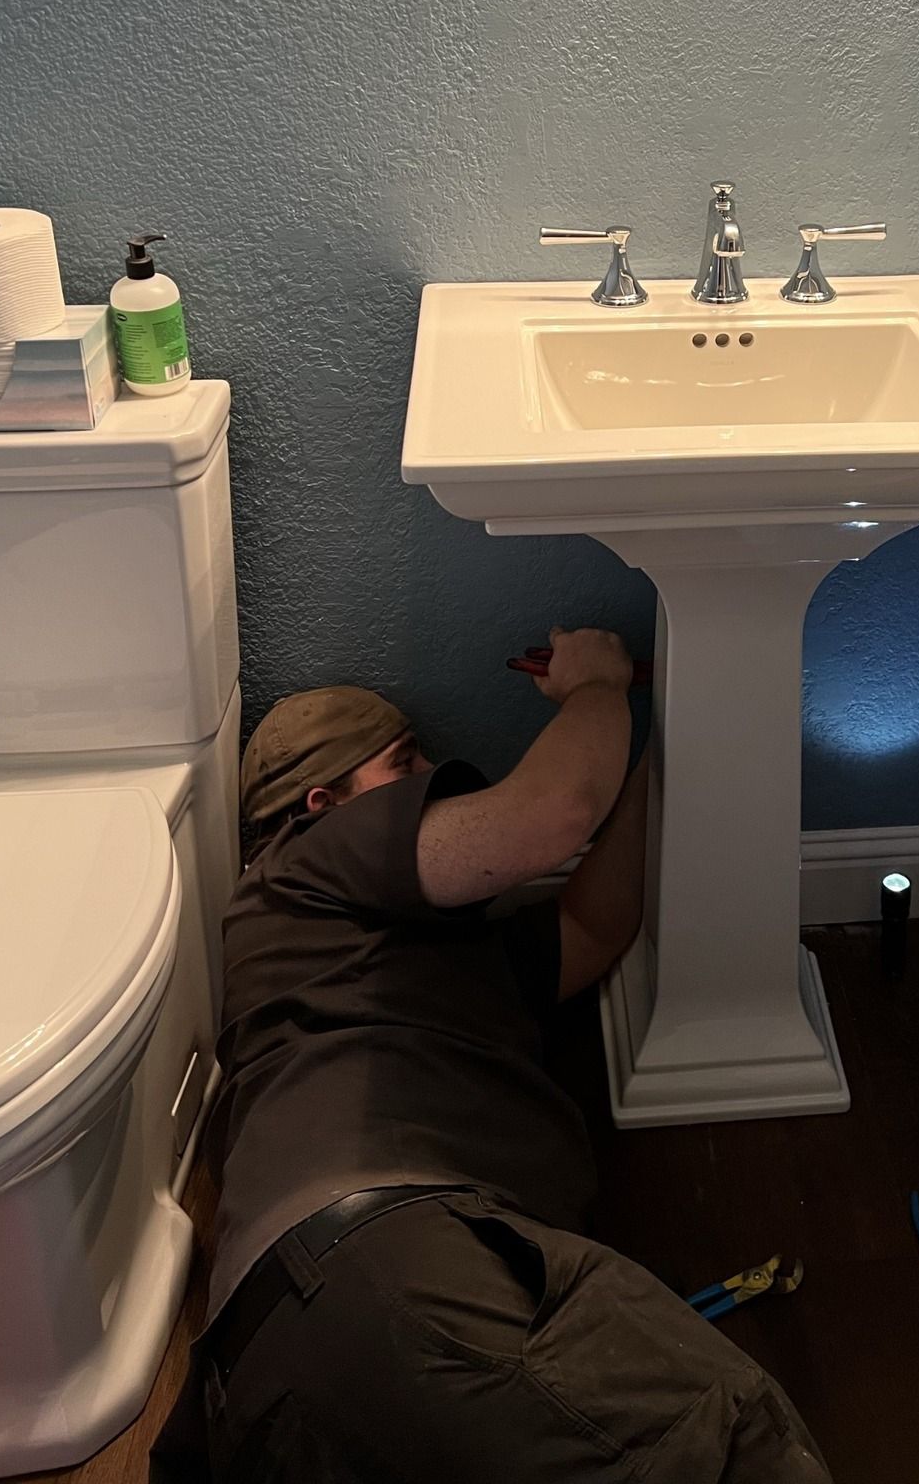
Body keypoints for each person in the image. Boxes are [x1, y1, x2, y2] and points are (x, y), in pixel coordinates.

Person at [152, 626, 830, 1482]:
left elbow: (592, 927)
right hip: (390, 1275)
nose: (431, 780)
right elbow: (552, 815)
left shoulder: (396, 959)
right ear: (325, 803)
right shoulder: (307, 862)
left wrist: (676, 740)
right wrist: (596, 687)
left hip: (284, 1366)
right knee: (731, 1445)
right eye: (403, 765)